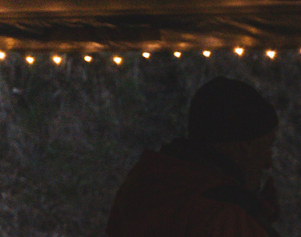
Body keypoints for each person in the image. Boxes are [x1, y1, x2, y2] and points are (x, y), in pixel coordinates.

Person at [107, 76, 281, 237]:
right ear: (246, 145)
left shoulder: (142, 187)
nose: (268, 162)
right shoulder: (222, 213)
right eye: (267, 146)